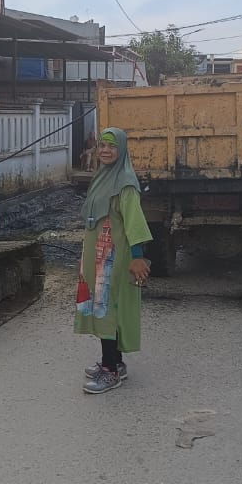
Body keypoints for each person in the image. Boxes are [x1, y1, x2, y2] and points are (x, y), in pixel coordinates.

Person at [75, 128, 154, 394]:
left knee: (106, 310)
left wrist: (138, 257)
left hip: (112, 259)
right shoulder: (103, 176)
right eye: (102, 146)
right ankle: (116, 363)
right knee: (105, 308)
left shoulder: (125, 183)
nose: (105, 151)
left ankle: (110, 372)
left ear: (122, 150)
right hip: (98, 255)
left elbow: (134, 223)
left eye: (112, 146)